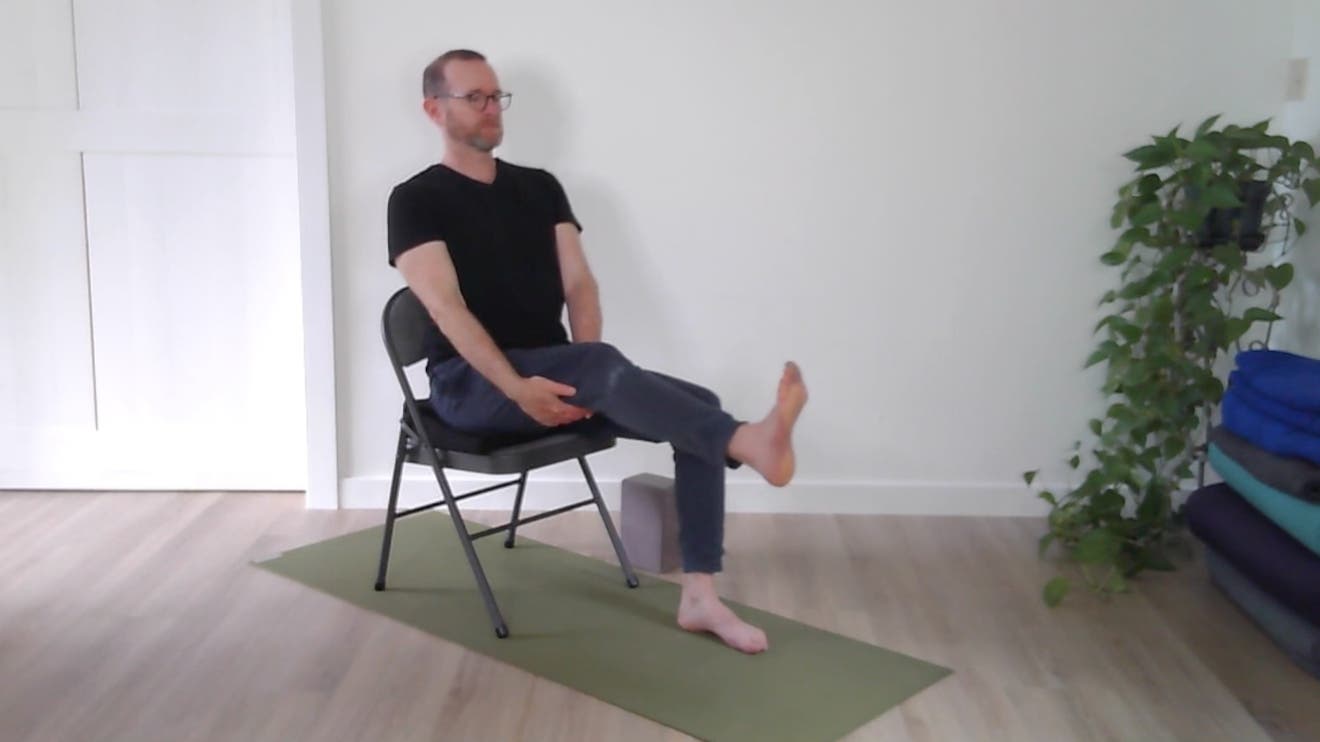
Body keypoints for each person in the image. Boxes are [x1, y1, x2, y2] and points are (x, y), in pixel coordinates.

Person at [386, 49, 808, 654]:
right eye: (472, 97)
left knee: (698, 405)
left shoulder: (541, 188)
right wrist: (521, 387)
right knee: (617, 375)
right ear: (434, 109)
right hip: (470, 388)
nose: (490, 109)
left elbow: (579, 284)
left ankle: (700, 598)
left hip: (559, 372)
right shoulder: (415, 200)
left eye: (495, 96)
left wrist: (591, 377)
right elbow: (447, 309)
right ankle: (749, 442)